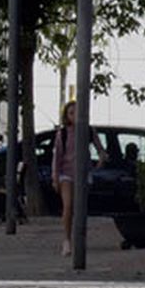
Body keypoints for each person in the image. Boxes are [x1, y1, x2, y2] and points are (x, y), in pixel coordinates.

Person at [51, 100, 105, 257]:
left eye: (77, 112)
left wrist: (101, 158)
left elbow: (100, 148)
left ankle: (80, 238)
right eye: (71, 113)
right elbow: (57, 157)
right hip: (66, 174)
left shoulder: (89, 131)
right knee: (68, 206)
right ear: (66, 116)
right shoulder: (62, 134)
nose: (74, 116)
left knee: (80, 208)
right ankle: (67, 240)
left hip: (83, 173)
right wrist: (55, 177)